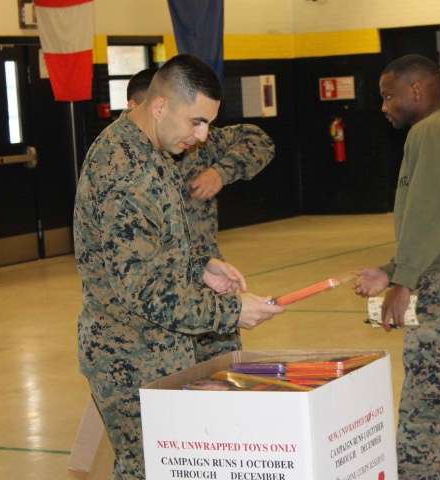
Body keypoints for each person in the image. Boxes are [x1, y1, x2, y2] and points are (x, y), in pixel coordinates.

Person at [73, 54, 284, 479]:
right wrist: (233, 311)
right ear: (159, 106)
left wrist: (201, 265)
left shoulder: (150, 153)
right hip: (130, 354)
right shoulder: (127, 172)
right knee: (149, 468)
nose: (203, 136)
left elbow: (152, 245)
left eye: (208, 123)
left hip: (157, 349)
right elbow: (144, 290)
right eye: (197, 122)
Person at [353, 54, 440, 479]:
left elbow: (432, 215)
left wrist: (404, 282)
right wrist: (392, 268)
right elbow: (439, 222)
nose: (384, 105)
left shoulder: (431, 132)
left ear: (415, 90)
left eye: (388, 95)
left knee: (428, 419)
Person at [126, 67, 276, 362]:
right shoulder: (127, 165)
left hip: (207, 276)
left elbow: (259, 141)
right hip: (162, 302)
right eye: (194, 122)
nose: (200, 134)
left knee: (222, 375)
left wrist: (220, 173)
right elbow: (138, 277)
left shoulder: (197, 142)